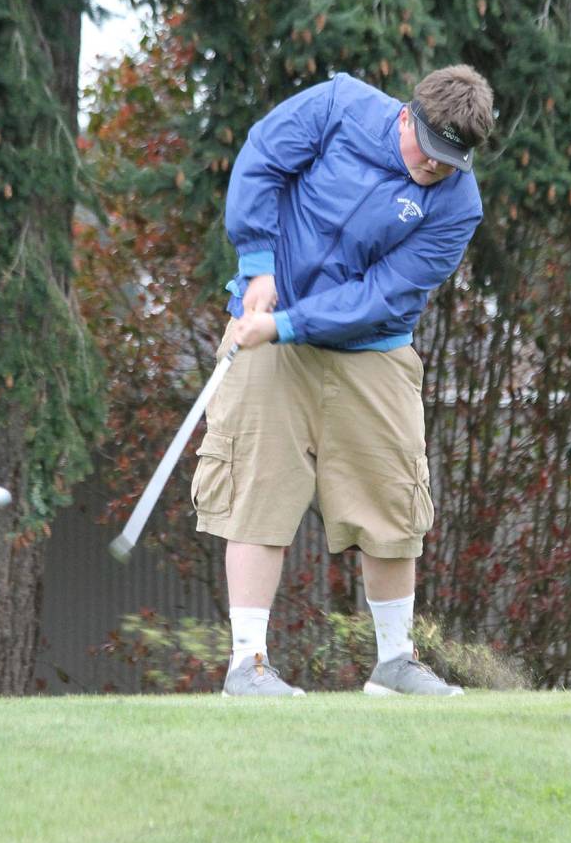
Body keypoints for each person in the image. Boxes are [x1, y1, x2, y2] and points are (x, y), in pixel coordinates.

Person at [190, 65, 495, 697]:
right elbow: (263, 160)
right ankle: (247, 667)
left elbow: (383, 297)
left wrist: (289, 324)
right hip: (266, 323)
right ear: (407, 116)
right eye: (429, 154)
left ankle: (394, 664)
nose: (434, 170)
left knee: (392, 502)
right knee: (256, 489)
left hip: (369, 350)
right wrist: (256, 266)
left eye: (450, 163)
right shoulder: (338, 107)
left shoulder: (458, 204)